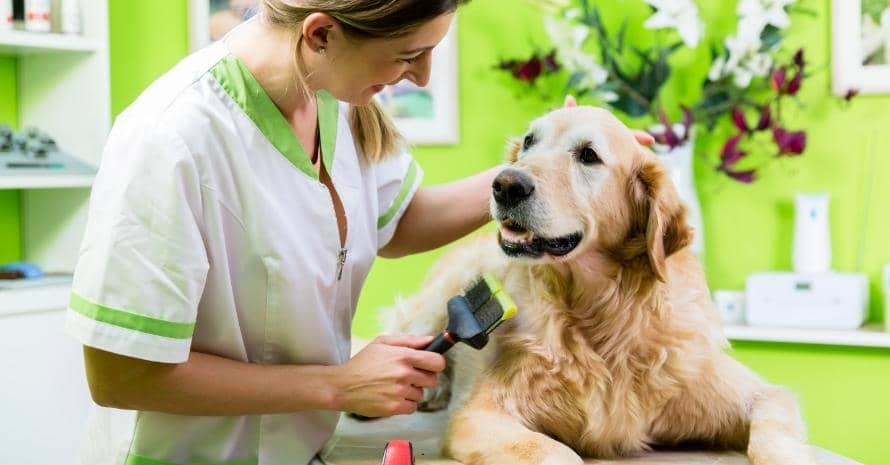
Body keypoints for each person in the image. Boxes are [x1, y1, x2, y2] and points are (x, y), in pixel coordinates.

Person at [66, 2, 653, 464]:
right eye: (409, 54)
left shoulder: (333, 101)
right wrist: (336, 386)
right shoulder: (171, 140)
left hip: (306, 449)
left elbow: (400, 223)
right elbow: (121, 374)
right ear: (321, 34)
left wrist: (540, 178)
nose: (421, 77)